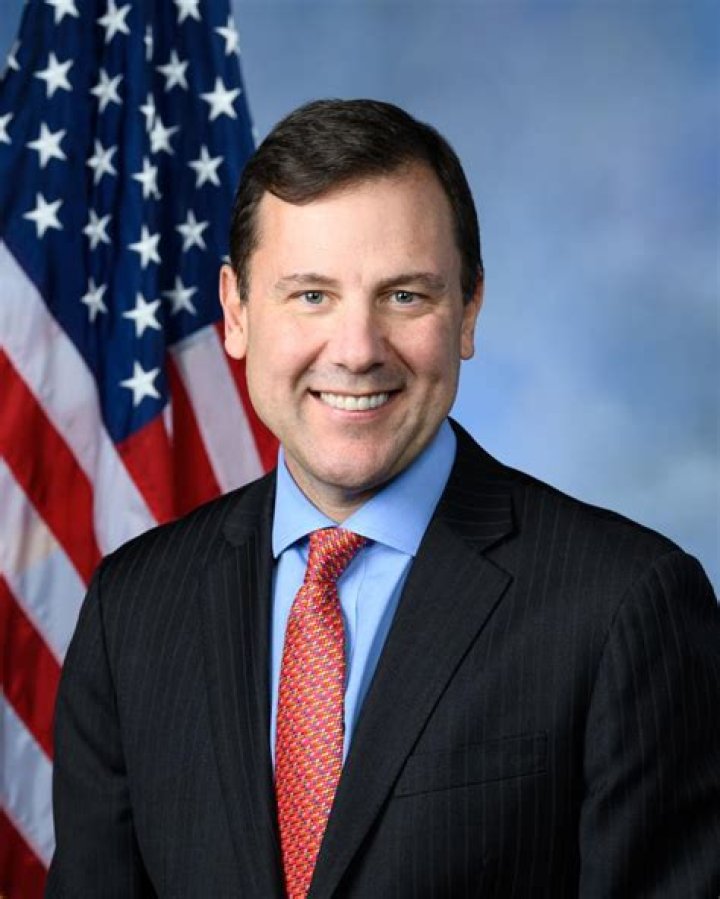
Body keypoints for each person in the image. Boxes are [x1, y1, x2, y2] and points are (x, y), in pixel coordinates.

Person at [47, 99, 720, 898]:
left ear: (468, 308)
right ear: (235, 311)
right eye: (311, 295)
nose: (357, 350)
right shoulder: (132, 609)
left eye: (404, 296)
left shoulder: (623, 604)